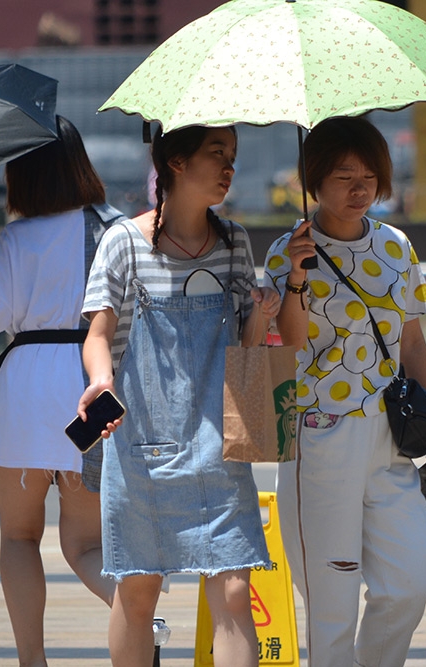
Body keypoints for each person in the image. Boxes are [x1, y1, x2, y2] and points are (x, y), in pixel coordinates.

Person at [78, 124, 279, 667]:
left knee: (235, 590)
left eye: (233, 155)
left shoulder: (236, 241)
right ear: (176, 162)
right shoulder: (122, 241)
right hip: (141, 443)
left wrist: (263, 311)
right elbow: (98, 334)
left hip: (218, 437)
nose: (229, 166)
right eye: (217, 153)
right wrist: (101, 380)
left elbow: (245, 347)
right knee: (137, 591)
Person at [263, 116, 426, 667]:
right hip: (321, 432)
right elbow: (289, 347)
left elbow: (412, 340)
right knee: (332, 597)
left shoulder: (395, 246)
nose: (359, 188)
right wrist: (297, 277)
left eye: (369, 176)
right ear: (314, 180)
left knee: (410, 579)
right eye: (344, 175)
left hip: (390, 434)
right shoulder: (287, 252)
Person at [0, 115, 120, 667]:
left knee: (19, 536)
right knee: (85, 545)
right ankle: (136, 611)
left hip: (25, 391)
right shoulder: (117, 227)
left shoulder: (17, 237)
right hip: (95, 385)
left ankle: (32, 661)